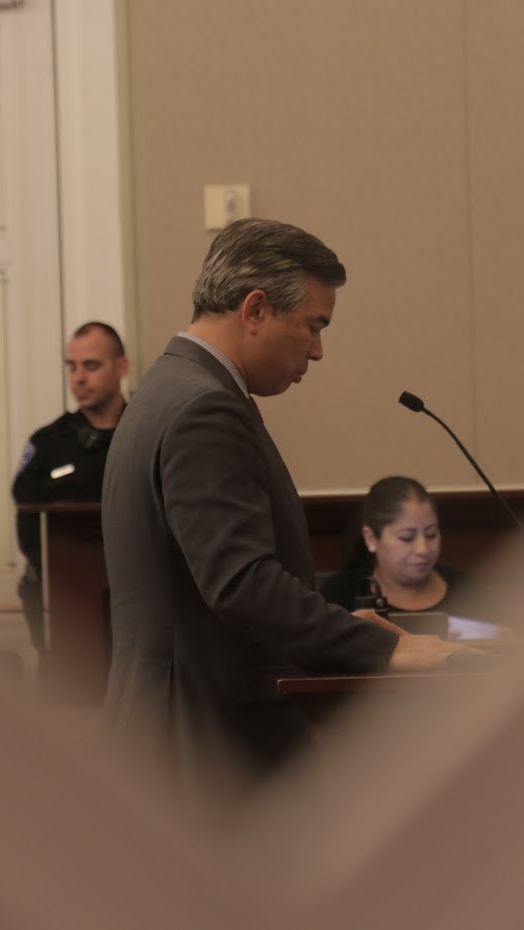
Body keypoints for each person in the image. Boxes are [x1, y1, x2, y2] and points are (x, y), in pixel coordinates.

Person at [100, 217, 466, 797]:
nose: (318, 350)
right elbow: (240, 582)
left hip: (173, 728)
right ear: (255, 309)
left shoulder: (166, 389)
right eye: (313, 326)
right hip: (203, 745)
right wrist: (384, 648)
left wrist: (335, 628)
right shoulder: (204, 410)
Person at [11, 321, 130, 656]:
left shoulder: (147, 436)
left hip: (136, 598)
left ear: (122, 367)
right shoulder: (48, 444)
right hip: (66, 605)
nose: (78, 378)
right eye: (71, 366)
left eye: (91, 366)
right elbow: (28, 525)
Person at [320, 476, 503, 627]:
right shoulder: (339, 595)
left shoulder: (469, 592)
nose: (423, 549)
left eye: (431, 534)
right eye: (406, 538)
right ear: (371, 538)